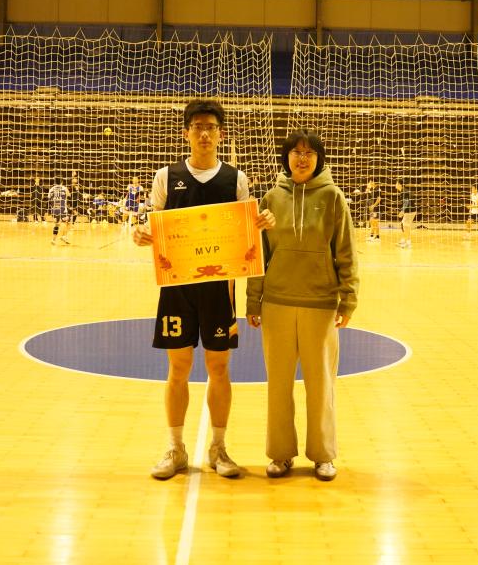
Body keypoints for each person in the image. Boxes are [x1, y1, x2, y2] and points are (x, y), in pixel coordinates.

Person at [132, 99, 275, 480]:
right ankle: (175, 448)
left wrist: (261, 222)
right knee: (178, 368)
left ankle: (219, 447)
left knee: (219, 368)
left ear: (221, 134)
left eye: (211, 127)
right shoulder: (166, 176)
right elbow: (153, 226)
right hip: (177, 288)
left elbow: (246, 231)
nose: (204, 133)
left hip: (218, 290)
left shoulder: (236, 179)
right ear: (186, 133)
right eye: (197, 127)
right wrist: (141, 234)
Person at [246, 129, 359, 481]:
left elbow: (346, 252)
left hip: (320, 304)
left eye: (309, 152)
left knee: (321, 385)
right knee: (278, 385)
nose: (302, 158)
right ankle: (280, 454)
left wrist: (348, 298)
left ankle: (323, 455)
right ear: (286, 157)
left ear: (319, 158)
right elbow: (258, 254)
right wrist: (253, 299)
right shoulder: (271, 198)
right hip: (277, 303)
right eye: (296, 152)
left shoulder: (333, 197)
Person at [48, 176, 71, 245]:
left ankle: (53, 240)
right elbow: (69, 196)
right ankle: (64, 236)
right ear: (62, 182)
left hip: (54, 209)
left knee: (57, 224)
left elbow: (49, 200)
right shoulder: (64, 188)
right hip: (62, 208)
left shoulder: (51, 189)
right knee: (68, 222)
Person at [396, 180, 417, 248]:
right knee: (403, 225)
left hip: (410, 211)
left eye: (396, 183)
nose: (395, 185)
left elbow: (406, 202)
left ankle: (408, 242)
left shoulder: (404, 192)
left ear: (400, 184)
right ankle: (404, 240)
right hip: (410, 211)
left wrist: (402, 211)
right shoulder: (403, 191)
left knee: (405, 226)